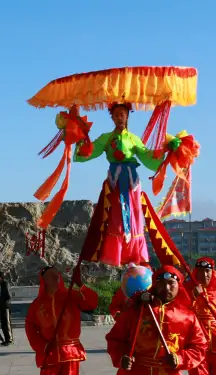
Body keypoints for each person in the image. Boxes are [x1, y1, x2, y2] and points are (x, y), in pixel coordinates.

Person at [72, 103, 168, 266]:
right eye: (116, 115)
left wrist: (165, 151)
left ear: (127, 116)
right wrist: (78, 134)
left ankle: (134, 252)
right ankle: (119, 250)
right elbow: (90, 150)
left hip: (132, 180)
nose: (119, 117)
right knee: (116, 214)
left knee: (135, 213)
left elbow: (146, 156)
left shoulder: (133, 138)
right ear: (112, 117)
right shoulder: (106, 137)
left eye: (122, 114)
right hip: (115, 180)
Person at [25, 266, 98, 375]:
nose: (55, 279)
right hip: (49, 351)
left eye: (57, 276)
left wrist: (81, 285)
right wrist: (41, 346)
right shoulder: (38, 304)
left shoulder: (70, 297)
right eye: (51, 277)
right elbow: (30, 328)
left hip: (70, 350)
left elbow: (91, 303)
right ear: (44, 280)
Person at [0, 271, 14, 346]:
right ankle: (6, 339)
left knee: (6, 323)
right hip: (2, 305)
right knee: (3, 323)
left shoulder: (5, 284)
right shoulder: (2, 284)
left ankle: (9, 339)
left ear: (0, 278)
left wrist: (0, 298)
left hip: (6, 306)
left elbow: (8, 296)